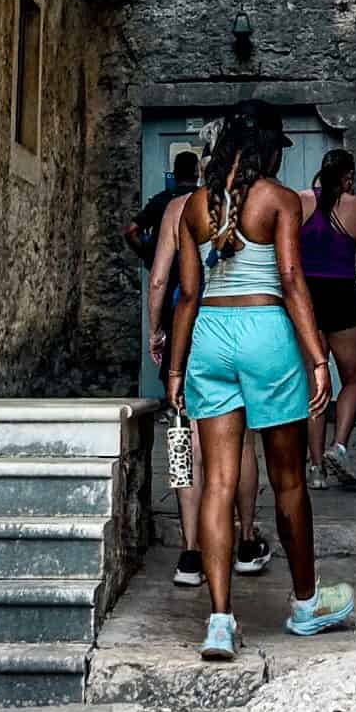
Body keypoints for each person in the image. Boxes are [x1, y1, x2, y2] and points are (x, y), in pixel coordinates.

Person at [167, 104, 355, 662]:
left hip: (210, 339)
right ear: (269, 149)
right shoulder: (279, 200)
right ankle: (304, 604)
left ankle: (220, 622)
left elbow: (187, 296)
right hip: (267, 334)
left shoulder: (194, 207)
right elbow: (293, 279)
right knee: (288, 478)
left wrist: (176, 369)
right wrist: (318, 357)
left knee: (218, 482)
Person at [147, 146, 271, 586]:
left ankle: (190, 551)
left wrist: (156, 331)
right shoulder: (248, 202)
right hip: (233, 328)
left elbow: (161, 277)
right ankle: (247, 539)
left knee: (185, 440)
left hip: (189, 333)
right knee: (239, 442)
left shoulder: (180, 208)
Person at [299, 148, 356, 490]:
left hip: (308, 299)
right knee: (353, 378)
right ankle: (340, 446)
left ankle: (316, 468)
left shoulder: (300, 201)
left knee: (316, 386)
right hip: (342, 297)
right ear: (347, 176)